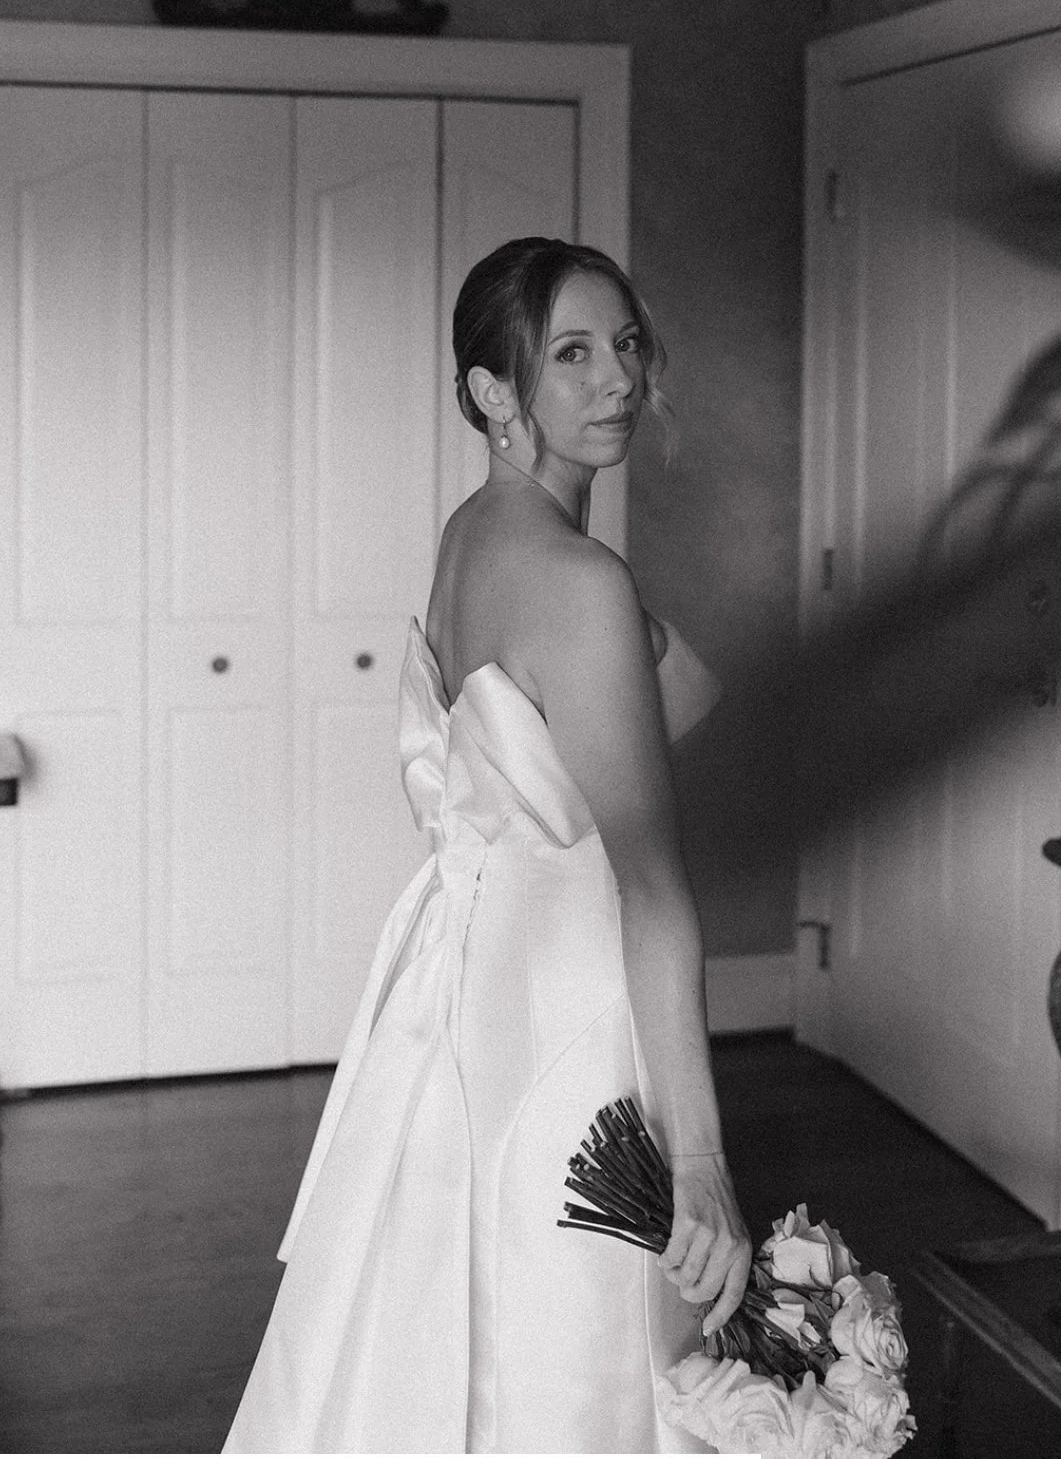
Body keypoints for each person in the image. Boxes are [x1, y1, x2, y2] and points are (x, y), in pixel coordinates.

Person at [223, 237, 752, 1454]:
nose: (616, 379)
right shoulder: (572, 577)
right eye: (570, 354)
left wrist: (622, 619)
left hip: (471, 988)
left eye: (624, 344)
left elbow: (676, 697)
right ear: (490, 394)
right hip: (572, 998)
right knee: (575, 1335)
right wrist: (704, 1159)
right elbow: (656, 894)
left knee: (449, 1300)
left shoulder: (474, 535)